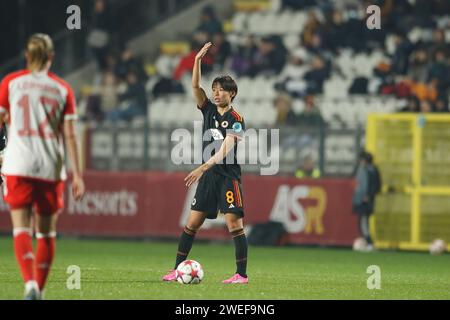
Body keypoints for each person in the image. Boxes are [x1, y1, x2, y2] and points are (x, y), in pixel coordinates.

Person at [0, 33, 85, 299]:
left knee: (21, 229)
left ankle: (30, 286)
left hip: (18, 163)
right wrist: (78, 175)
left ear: (27, 56)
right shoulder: (62, 89)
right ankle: (42, 287)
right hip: (50, 166)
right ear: (51, 57)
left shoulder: (11, 83)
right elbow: (70, 134)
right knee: (46, 233)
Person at [162, 42, 248, 284]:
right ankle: (177, 269)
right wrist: (197, 60)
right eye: (214, 89)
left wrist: (202, 166)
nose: (215, 93)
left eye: (220, 90)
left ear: (232, 94)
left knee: (234, 224)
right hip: (209, 178)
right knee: (192, 224)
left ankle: (241, 275)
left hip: (227, 177)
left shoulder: (237, 120)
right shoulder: (208, 110)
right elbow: (194, 85)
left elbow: (223, 151)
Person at [352, 151, 381, 252]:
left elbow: (370, 185)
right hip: (364, 199)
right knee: (363, 222)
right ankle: (366, 242)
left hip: (364, 200)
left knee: (363, 222)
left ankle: (369, 243)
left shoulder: (367, 170)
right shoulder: (372, 170)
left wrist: (367, 195)